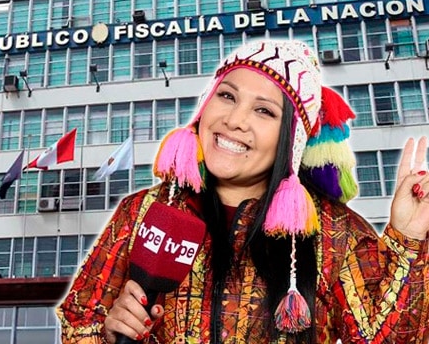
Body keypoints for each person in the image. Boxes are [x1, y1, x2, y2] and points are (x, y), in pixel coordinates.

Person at [56, 40, 429, 343]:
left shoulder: (335, 231)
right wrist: (108, 333)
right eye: (227, 96)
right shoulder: (143, 211)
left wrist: (408, 241)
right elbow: (79, 319)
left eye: (264, 111)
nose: (234, 120)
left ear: (292, 140)